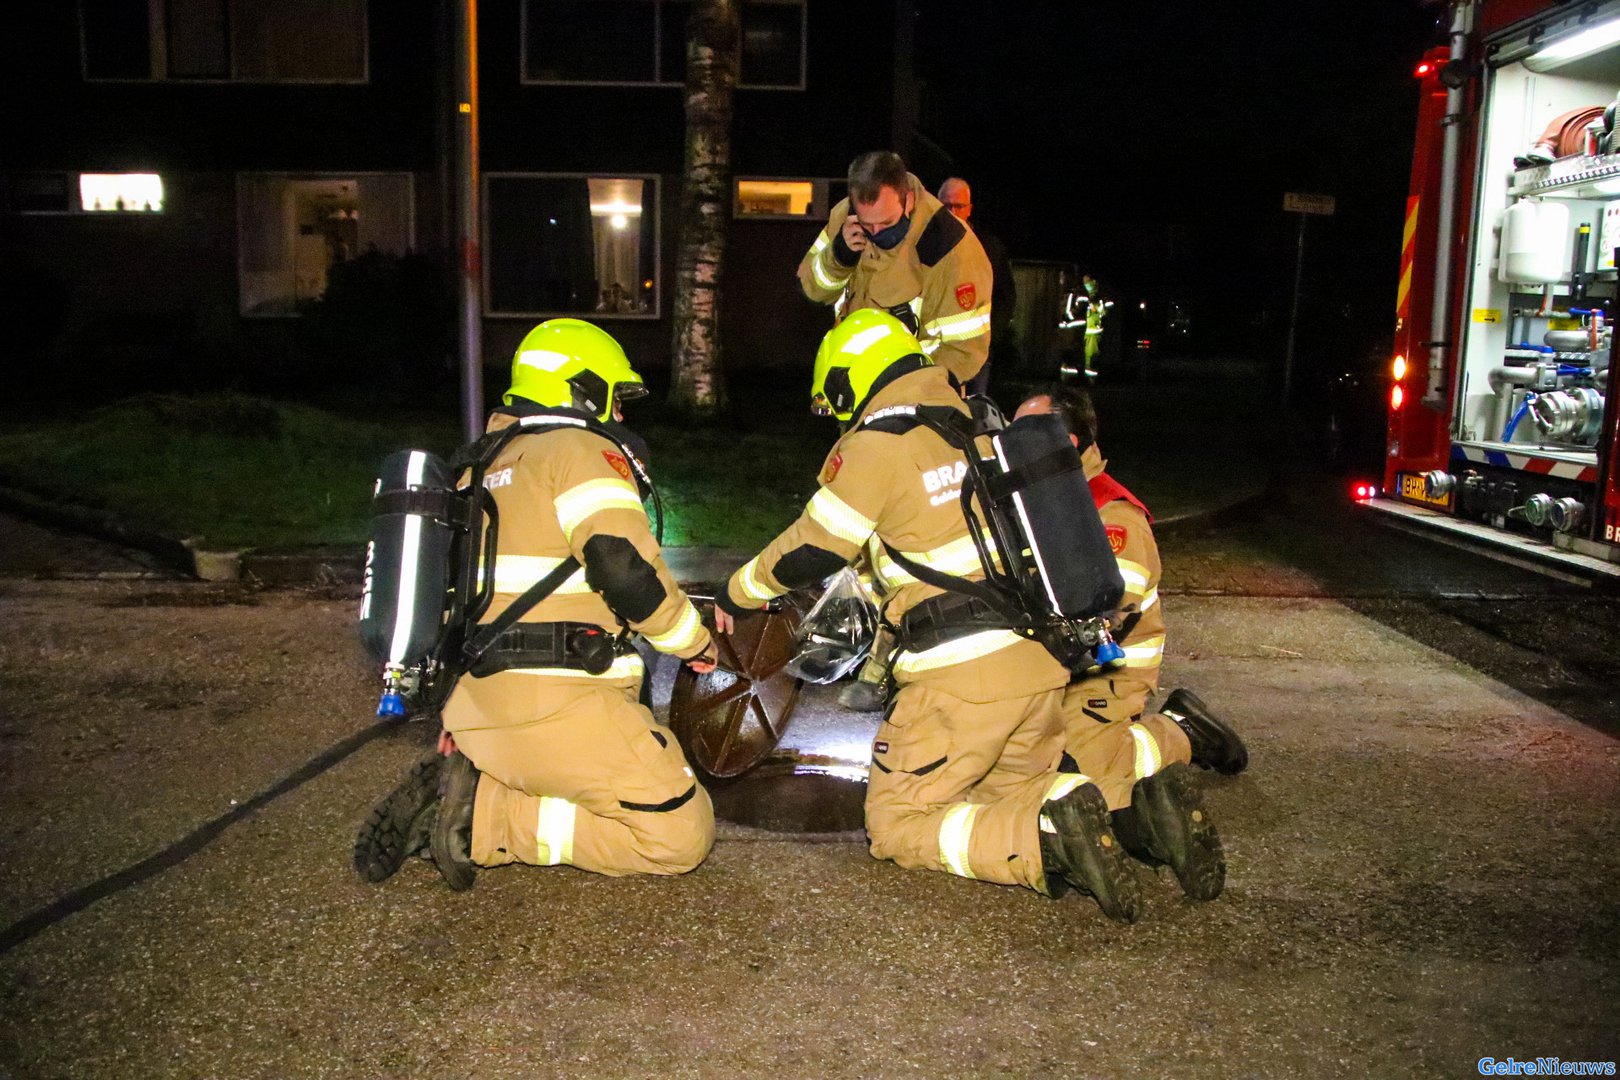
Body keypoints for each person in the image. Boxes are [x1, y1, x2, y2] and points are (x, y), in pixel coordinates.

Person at [713, 308, 1145, 922]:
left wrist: (738, 591)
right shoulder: (981, 421)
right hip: (1040, 671)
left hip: (959, 682)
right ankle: (1116, 817)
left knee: (896, 825)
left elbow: (817, 544)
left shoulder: (878, 446)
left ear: (848, 382)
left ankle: (1045, 845)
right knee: (1007, 795)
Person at [354, 319, 719, 890]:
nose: (620, 416)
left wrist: (457, 716)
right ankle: (483, 817)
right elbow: (620, 565)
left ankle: (479, 774)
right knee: (679, 833)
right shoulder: (577, 448)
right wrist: (693, 641)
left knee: (610, 768)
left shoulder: (475, 466)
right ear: (582, 389)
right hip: (559, 705)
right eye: (615, 398)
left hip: (477, 707)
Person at [1014, 383, 1248, 900]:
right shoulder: (1034, 501)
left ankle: (1183, 732)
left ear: (1068, 444)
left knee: (1093, 782)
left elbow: (1108, 611)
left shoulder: (1112, 513)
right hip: (1053, 667)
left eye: (1026, 435)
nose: (1011, 445)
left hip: (1105, 674)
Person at [798, 151, 993, 389]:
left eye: (887, 223)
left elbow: (966, 350)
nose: (876, 232)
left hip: (918, 397)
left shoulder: (949, 246)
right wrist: (838, 257)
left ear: (908, 200)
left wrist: (908, 388)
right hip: (854, 385)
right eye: (868, 224)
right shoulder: (845, 217)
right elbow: (812, 289)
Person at [936, 177, 1016, 397]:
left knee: (974, 413)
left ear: (969, 209)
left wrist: (991, 336)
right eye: (946, 205)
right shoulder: (925, 245)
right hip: (937, 352)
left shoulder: (989, 247)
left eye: (958, 206)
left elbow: (1005, 296)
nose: (952, 211)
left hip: (977, 353)